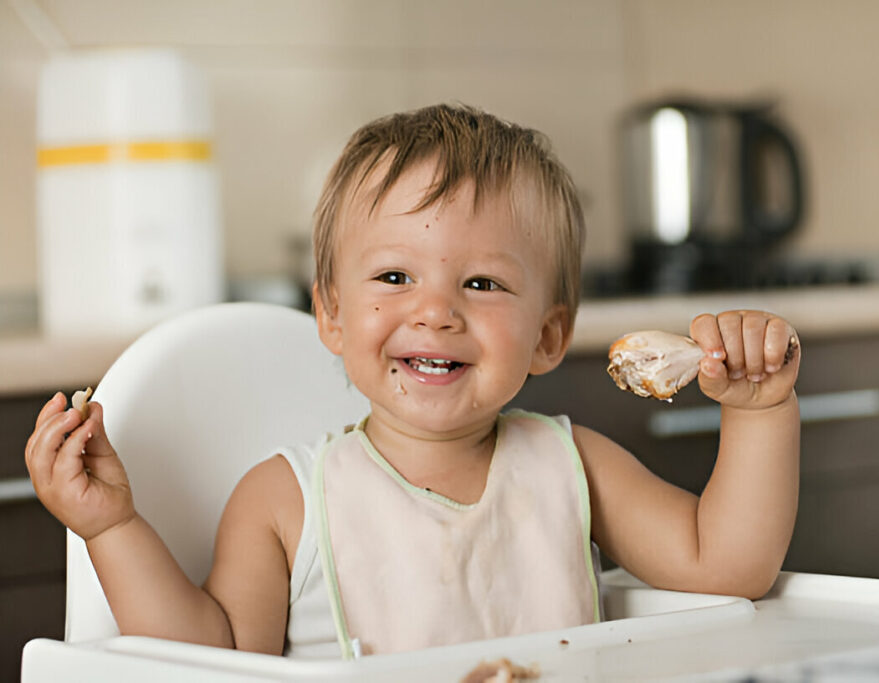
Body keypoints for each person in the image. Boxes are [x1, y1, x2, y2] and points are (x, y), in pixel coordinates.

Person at [25, 103, 800, 659]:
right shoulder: (284, 501)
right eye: (395, 276)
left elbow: (727, 566)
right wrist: (112, 528)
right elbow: (216, 659)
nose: (435, 312)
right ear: (332, 314)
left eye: (483, 283)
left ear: (548, 335)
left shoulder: (574, 466)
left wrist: (760, 410)